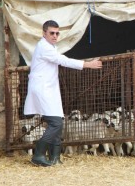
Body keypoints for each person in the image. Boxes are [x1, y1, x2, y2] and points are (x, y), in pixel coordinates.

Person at [24, 20, 103, 166]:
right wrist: (87, 64)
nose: (55, 36)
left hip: (49, 89)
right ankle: (38, 155)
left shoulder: (50, 46)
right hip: (43, 89)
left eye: (57, 33)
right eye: (52, 33)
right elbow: (62, 60)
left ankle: (55, 158)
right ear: (44, 33)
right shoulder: (44, 47)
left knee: (58, 121)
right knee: (56, 123)